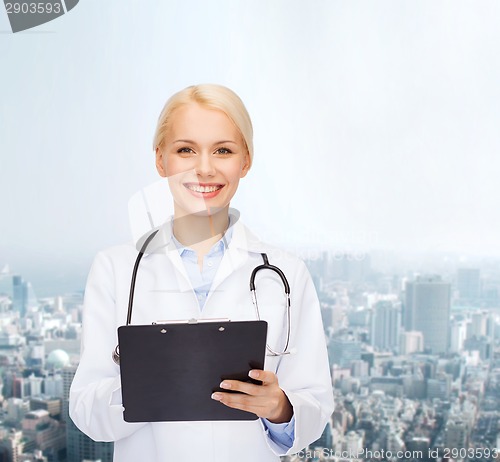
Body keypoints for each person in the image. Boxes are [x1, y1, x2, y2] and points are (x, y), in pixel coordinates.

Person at [69, 84, 334, 462]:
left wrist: (279, 408)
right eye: (185, 150)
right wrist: (143, 385)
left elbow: (315, 405)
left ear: (246, 160)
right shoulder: (115, 269)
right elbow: (86, 411)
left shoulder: (286, 273)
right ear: (161, 160)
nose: (205, 168)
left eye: (223, 150)